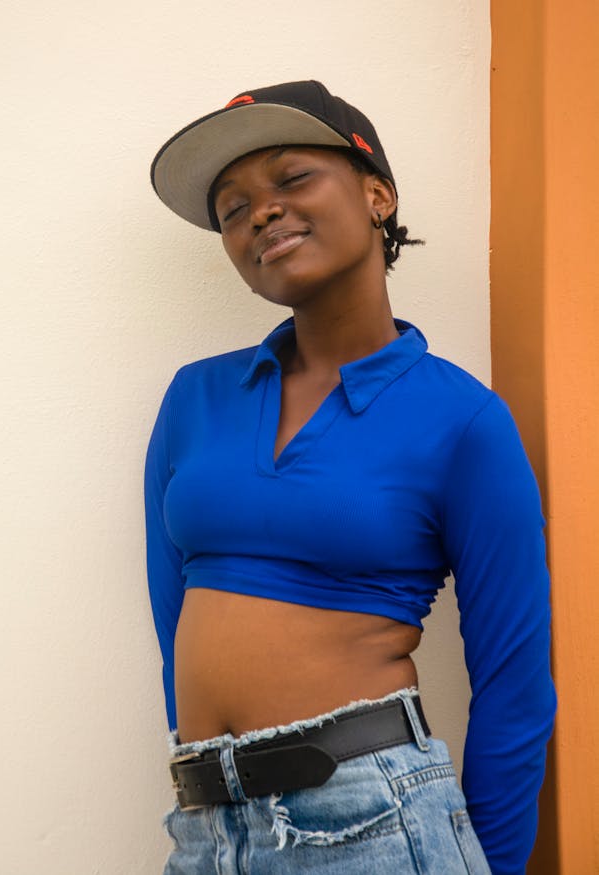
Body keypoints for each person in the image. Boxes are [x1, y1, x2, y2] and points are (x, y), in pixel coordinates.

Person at [145, 80, 555, 875]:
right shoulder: (195, 397)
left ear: (377, 195)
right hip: (206, 829)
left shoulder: (463, 420)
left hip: (375, 819)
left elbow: (515, 686)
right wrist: (211, 782)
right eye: (232, 208)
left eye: (292, 178)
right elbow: (174, 617)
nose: (260, 212)